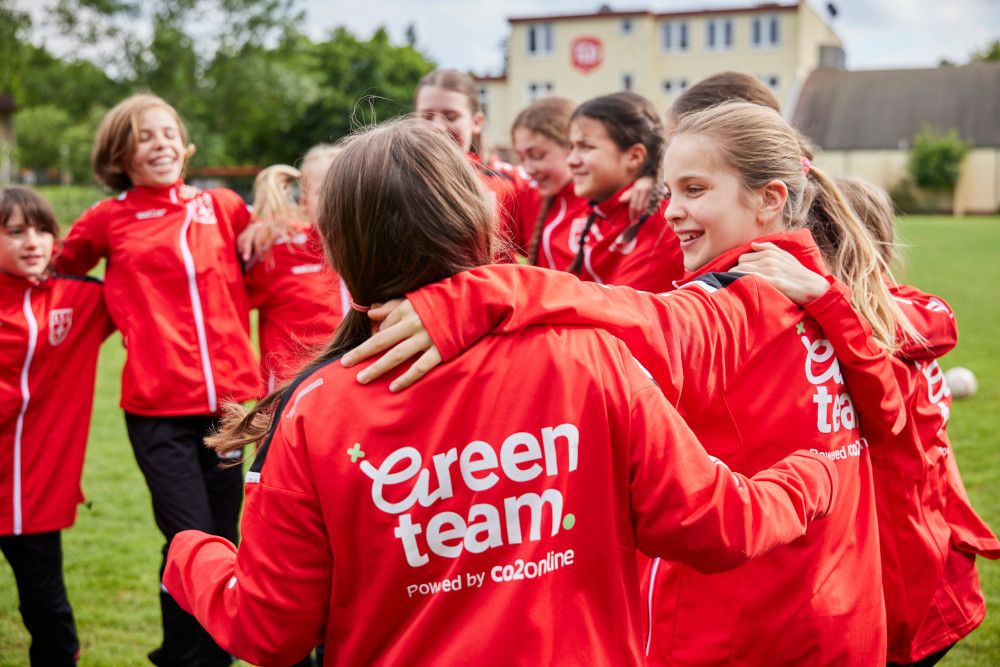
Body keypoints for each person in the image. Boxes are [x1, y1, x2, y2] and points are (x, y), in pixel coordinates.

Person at [161, 117, 841, 666]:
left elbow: (270, 630)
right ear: (478, 226)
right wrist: (815, 475)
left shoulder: (317, 409)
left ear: (337, 250)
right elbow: (716, 523)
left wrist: (190, 552)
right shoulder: (588, 356)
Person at [340, 102, 914, 664]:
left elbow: (657, 325)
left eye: (695, 190)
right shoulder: (820, 286)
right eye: (669, 193)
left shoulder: (752, 292)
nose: (671, 213)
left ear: (770, 199)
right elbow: (891, 414)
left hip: (749, 625)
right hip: (841, 614)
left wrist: (485, 292)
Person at [734, 176, 1000, 666]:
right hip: (917, 565)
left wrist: (824, 296)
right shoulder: (877, 318)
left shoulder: (868, 337)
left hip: (910, 586)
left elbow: (932, 327)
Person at [52, 93, 259, 667]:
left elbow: (269, 258)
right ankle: (184, 655)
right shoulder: (107, 218)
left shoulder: (222, 206)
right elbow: (55, 273)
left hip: (231, 409)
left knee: (224, 538)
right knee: (189, 536)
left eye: (168, 132)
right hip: (157, 409)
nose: (160, 144)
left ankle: (209, 655)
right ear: (120, 154)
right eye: (145, 137)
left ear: (185, 145)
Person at [0, 186, 112, 665]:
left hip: (33, 496)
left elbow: (154, 288)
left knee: (47, 612)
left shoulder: (80, 297)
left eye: (42, 230)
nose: (32, 242)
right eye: (15, 232)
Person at [511, 96, 656, 273]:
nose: (528, 169)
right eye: (521, 158)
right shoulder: (529, 196)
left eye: (537, 156)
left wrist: (654, 177)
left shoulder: (618, 198)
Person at [244, 149, 347, 391]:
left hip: (349, 390)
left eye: (345, 189)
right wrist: (250, 227)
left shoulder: (374, 251)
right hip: (289, 394)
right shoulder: (277, 250)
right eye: (324, 191)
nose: (337, 199)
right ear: (304, 203)